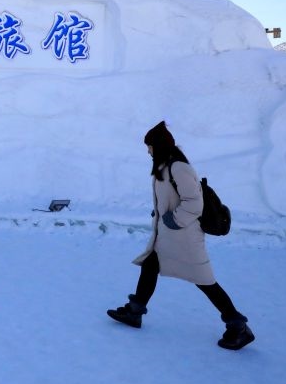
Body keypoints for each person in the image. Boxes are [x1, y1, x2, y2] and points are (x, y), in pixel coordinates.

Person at [106, 121, 255, 350]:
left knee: (205, 282)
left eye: (150, 146)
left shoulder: (179, 168)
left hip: (184, 238)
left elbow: (194, 203)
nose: (148, 150)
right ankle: (135, 312)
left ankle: (238, 326)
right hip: (168, 236)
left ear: (159, 145)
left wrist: (172, 220)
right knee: (150, 264)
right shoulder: (165, 165)